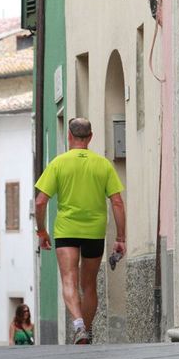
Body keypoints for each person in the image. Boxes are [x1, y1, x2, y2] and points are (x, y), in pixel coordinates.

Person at [34, 117, 126, 345]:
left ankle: (78, 327)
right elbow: (117, 202)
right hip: (94, 231)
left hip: (66, 230)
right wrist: (121, 237)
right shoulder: (103, 164)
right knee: (89, 284)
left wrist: (42, 231)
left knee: (68, 279)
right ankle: (87, 330)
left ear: (69, 136)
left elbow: (40, 202)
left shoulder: (58, 163)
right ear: (91, 137)